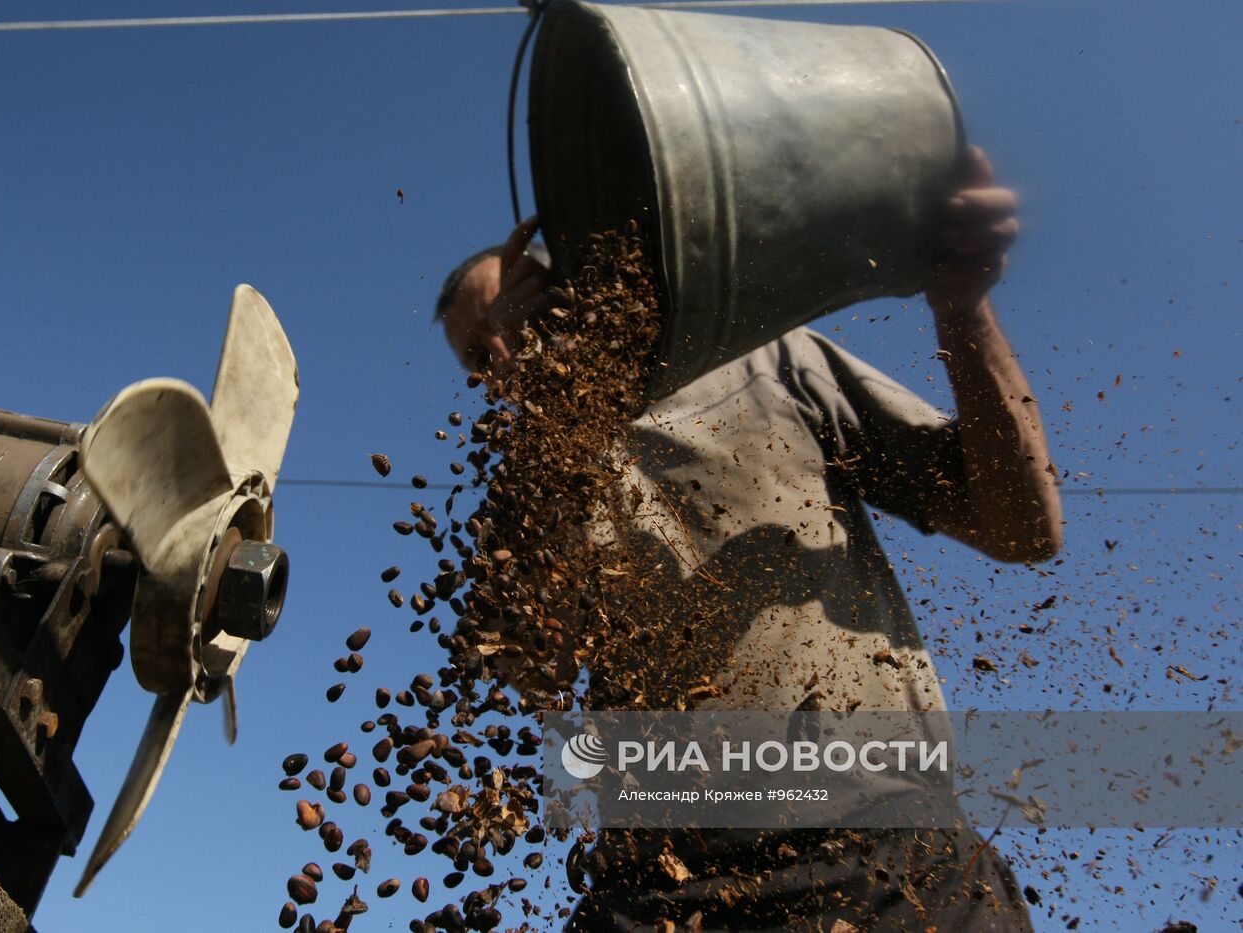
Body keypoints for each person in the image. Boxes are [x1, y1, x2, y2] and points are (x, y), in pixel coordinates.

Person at [435, 146, 1061, 932]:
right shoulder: (526, 493)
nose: (499, 351)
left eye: (509, 311)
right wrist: (551, 435)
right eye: (475, 354)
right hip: (658, 883)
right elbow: (521, 675)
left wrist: (961, 306)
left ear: (572, 285)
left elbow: (1023, 526)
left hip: (880, 847)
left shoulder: (760, 358)